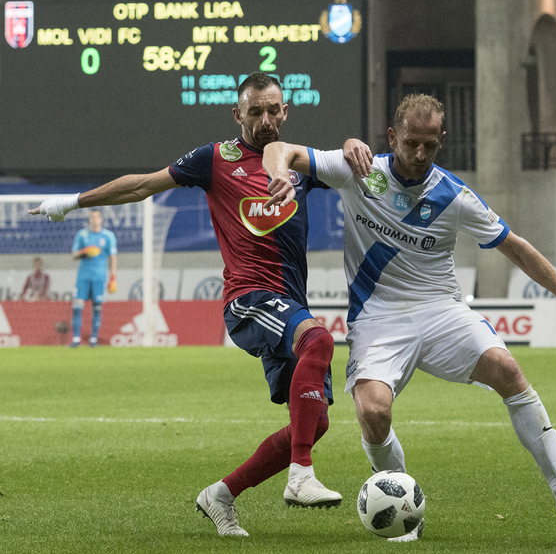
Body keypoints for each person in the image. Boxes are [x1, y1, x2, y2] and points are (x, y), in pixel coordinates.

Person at [262, 93, 556, 542]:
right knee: (373, 411)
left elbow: (516, 247)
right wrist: (280, 174)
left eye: (430, 145)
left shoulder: (454, 195)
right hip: (378, 317)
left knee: (508, 369)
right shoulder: (360, 170)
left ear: (441, 141)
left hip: (441, 310)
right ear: (393, 136)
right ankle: (405, 515)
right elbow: (279, 149)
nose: (419, 154)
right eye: (411, 142)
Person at [29, 72, 370, 537]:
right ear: (237, 114)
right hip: (248, 298)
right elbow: (142, 185)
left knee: (315, 423)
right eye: (255, 112)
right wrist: (72, 201)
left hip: (288, 302)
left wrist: (352, 144)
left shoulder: (298, 165)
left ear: (285, 111)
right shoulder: (215, 159)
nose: (266, 120)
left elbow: (354, 170)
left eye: (273, 110)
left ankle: (221, 495)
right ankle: (301, 476)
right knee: (320, 340)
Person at [70, 210, 117, 347]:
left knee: (97, 307)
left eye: (97, 217)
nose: (94, 220)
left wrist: (113, 278)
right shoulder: (82, 234)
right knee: (77, 306)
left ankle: (93, 339)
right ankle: (76, 339)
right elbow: (74, 255)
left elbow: (113, 258)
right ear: (89, 220)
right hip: (83, 276)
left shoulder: (108, 236)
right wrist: (84, 252)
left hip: (99, 277)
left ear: (101, 219)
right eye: (92, 217)